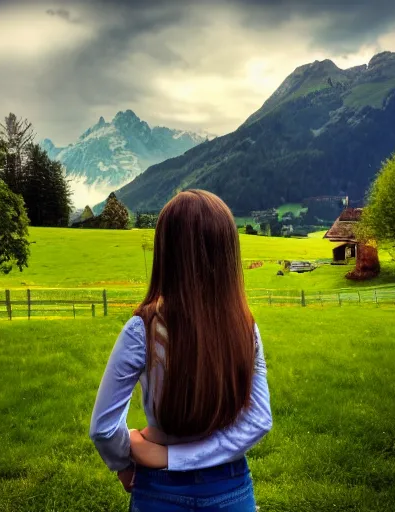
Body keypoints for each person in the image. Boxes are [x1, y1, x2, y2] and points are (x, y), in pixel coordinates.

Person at [90, 190, 272, 511]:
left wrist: (132, 459)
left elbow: (104, 429)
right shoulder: (245, 326)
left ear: (166, 252)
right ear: (227, 252)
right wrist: (181, 458)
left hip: (158, 491)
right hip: (231, 489)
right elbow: (258, 421)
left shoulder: (143, 328)